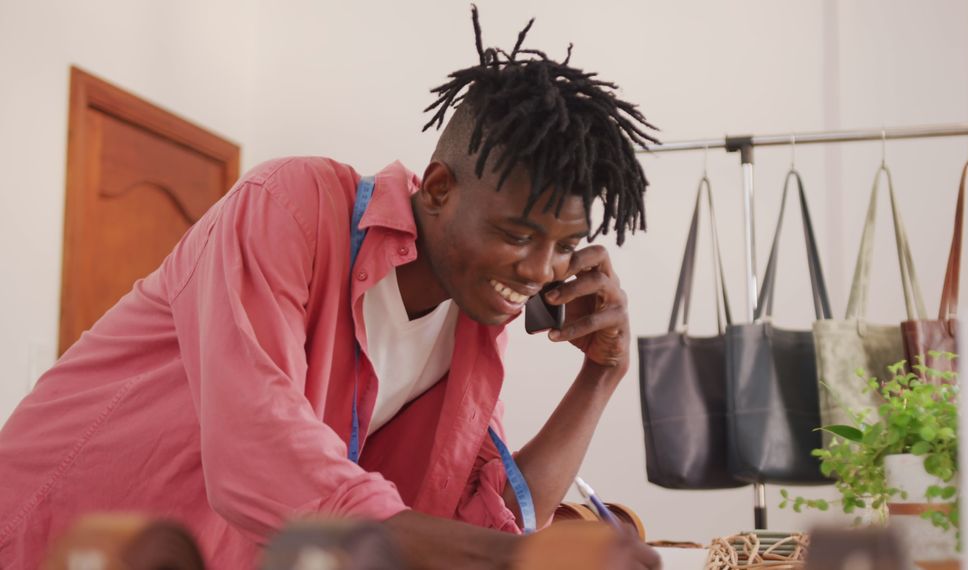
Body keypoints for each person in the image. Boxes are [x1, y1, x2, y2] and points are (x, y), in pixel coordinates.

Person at [0, 7, 661, 569]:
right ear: (437, 190)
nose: (540, 269)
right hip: (56, 533)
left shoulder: (471, 317)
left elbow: (475, 522)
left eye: (565, 245)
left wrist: (600, 378)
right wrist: (524, 562)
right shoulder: (290, 206)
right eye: (519, 234)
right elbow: (260, 458)